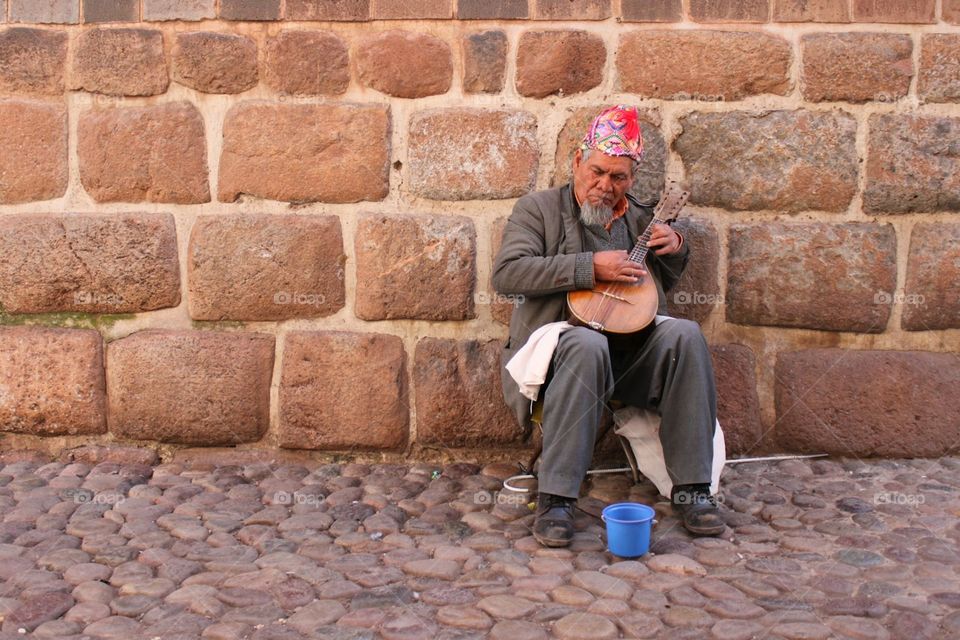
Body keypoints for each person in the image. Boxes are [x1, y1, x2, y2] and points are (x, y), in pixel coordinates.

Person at [492, 105, 723, 547]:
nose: (605, 186)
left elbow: (653, 293)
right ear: (578, 162)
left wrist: (674, 249)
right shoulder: (538, 210)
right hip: (560, 359)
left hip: (630, 358)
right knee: (585, 344)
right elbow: (508, 276)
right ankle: (557, 498)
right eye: (597, 172)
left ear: (632, 178)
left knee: (685, 335)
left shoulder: (639, 219)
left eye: (619, 177)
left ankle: (693, 488)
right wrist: (589, 266)